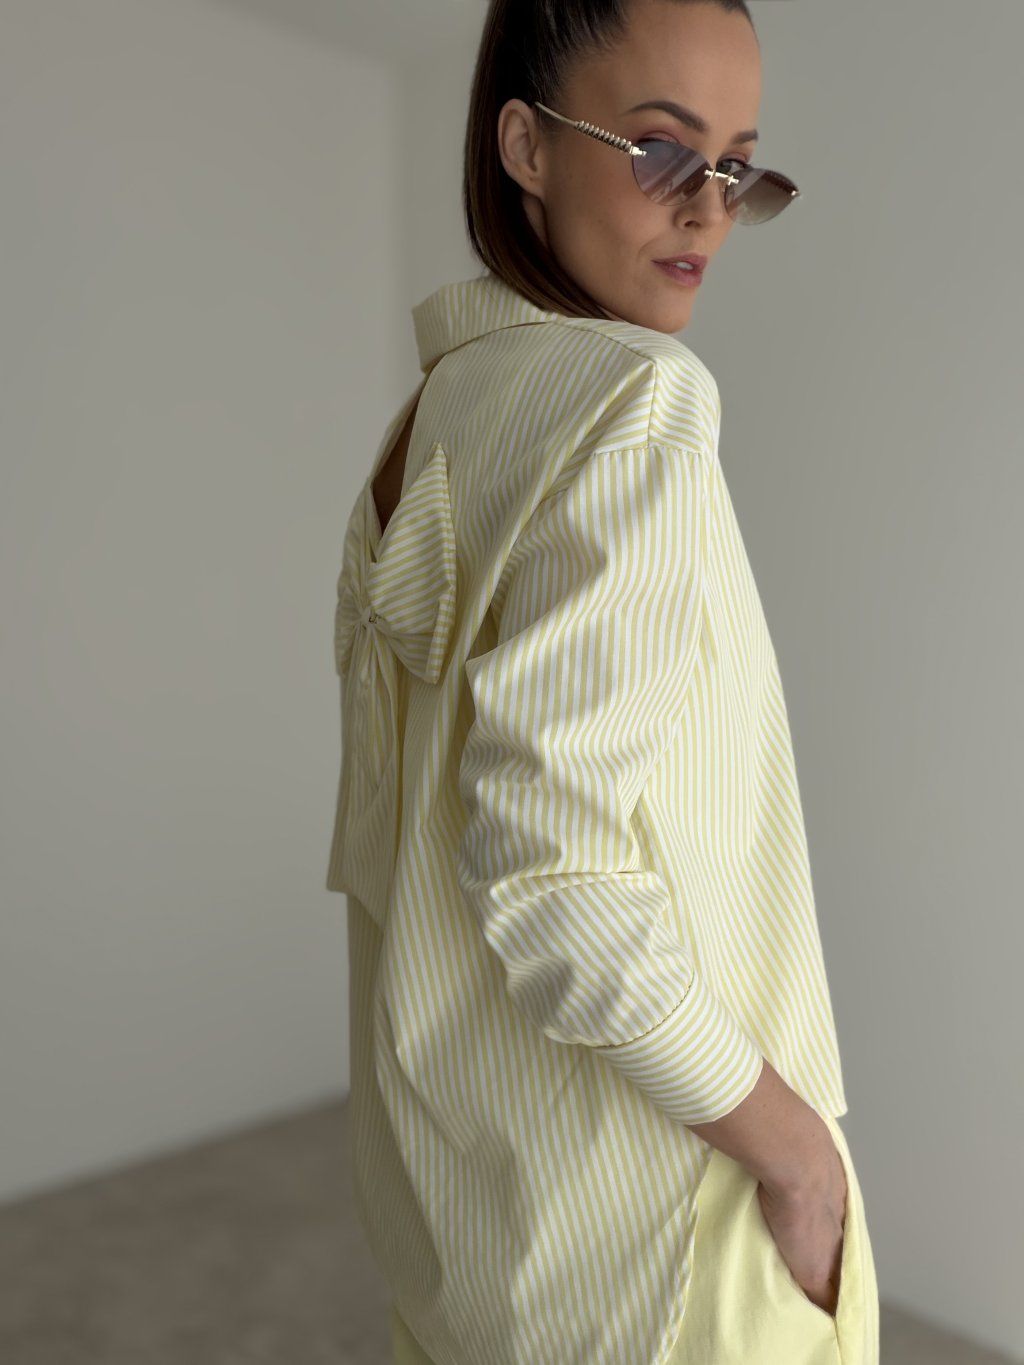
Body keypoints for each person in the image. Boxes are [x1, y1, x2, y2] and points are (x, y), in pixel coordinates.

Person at [326, 1, 879, 1362]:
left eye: (737, 167)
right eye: (660, 150)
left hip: (465, 1213)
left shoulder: (429, 420)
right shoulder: (640, 399)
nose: (707, 212)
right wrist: (797, 1156)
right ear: (523, 144)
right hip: (661, 1223)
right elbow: (553, 870)